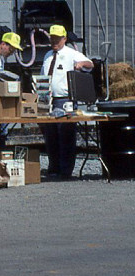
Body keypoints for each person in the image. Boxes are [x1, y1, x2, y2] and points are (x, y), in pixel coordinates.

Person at [40, 24, 94, 179]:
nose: (54, 41)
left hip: (65, 100)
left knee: (65, 135)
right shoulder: (48, 55)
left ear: (64, 39)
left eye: (57, 38)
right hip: (48, 99)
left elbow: (90, 64)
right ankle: (53, 167)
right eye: (52, 38)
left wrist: (81, 64)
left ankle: (65, 170)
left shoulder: (72, 54)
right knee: (50, 136)